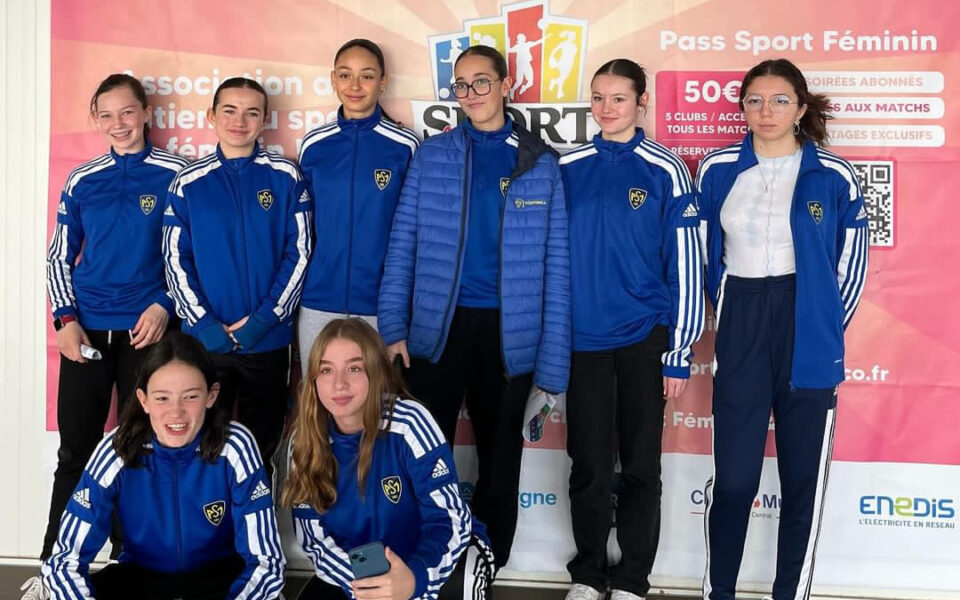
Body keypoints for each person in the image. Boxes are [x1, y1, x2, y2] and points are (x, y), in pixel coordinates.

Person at [377, 44, 570, 568]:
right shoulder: (432, 154)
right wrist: (394, 326)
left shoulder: (541, 161)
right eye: (461, 85)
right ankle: (417, 563)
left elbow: (557, 270)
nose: (471, 94)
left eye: (481, 82)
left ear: (507, 85)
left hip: (512, 336)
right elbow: (403, 246)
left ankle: (486, 563)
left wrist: (552, 370)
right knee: (419, 452)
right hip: (437, 331)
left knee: (500, 456)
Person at [696, 58, 868, 600]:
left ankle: (789, 593)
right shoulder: (717, 168)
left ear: (800, 107)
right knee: (737, 482)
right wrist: (718, 311)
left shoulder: (833, 174)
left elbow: (852, 263)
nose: (765, 111)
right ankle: (718, 590)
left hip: (808, 327)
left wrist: (822, 326)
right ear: (741, 106)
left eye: (778, 101)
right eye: (753, 100)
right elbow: (702, 257)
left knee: (801, 486)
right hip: (743, 319)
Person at [23, 73, 188, 600]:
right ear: (96, 119)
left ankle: (130, 565)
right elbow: (59, 256)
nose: (118, 124)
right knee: (76, 451)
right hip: (88, 333)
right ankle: (54, 570)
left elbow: (189, 255)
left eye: (127, 112)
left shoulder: (176, 174)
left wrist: (165, 305)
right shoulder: (82, 179)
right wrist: (65, 321)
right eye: (107, 114)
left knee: (140, 450)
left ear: (145, 114)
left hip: (149, 334)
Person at [558, 59, 704, 600]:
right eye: (597, 98)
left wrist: (679, 347)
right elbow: (549, 256)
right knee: (590, 466)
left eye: (618, 98)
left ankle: (633, 579)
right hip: (583, 343)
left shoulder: (666, 169)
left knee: (642, 464)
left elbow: (686, 263)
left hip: (645, 339)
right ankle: (590, 574)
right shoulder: (566, 166)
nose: (606, 108)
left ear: (642, 102)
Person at [41, 332, 285, 600]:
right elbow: (65, 561)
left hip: (218, 579)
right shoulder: (118, 448)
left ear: (211, 395)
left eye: (190, 397)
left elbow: (266, 563)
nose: (176, 412)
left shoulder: (236, 445)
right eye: (162, 398)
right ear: (143, 400)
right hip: (141, 578)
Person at [163, 77, 313, 479]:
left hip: (266, 339)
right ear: (212, 116)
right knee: (203, 441)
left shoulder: (285, 176)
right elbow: (176, 259)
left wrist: (265, 319)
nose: (239, 121)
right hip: (207, 341)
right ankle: (209, 536)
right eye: (229, 110)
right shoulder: (188, 183)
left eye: (251, 112)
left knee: (259, 443)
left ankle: (256, 536)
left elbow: (298, 252)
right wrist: (204, 324)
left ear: (265, 120)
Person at [282, 318, 495, 600]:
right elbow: (315, 539)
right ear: (313, 379)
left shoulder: (409, 424)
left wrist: (413, 581)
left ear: (376, 372)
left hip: (429, 560)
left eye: (354, 368)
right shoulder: (304, 439)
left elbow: (449, 521)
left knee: (466, 580)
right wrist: (367, 588)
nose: (339, 384)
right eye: (326, 370)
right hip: (361, 571)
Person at [296, 39, 419, 375]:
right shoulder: (314, 145)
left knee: (378, 405)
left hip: (381, 304)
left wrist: (400, 305)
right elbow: (300, 227)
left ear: (383, 82)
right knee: (317, 402)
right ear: (333, 79)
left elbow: (414, 232)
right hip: (319, 298)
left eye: (366, 76)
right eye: (346, 75)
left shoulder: (404, 146)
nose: (355, 85)